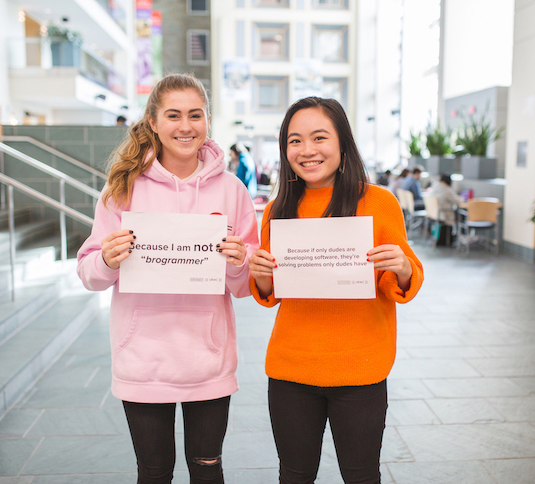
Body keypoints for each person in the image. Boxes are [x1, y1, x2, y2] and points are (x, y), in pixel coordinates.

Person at [76, 73, 259, 484]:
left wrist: (238, 262)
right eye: (173, 115)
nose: (185, 126)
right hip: (142, 360)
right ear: (153, 122)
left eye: (196, 115)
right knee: (154, 472)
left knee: (207, 471)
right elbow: (89, 274)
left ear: (207, 119)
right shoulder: (122, 187)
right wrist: (106, 260)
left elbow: (246, 285)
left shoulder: (232, 190)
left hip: (208, 361)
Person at [248, 97, 424, 484]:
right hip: (292, 367)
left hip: (361, 367)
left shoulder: (379, 202)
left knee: (361, 475)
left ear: (342, 143)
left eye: (319, 137)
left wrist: (402, 267)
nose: (307, 150)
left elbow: (403, 282)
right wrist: (260, 274)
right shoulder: (278, 208)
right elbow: (271, 292)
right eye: (295, 140)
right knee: (294, 475)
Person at [430, 173, 463, 246]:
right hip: (444, 212)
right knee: (461, 215)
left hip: (435, 212)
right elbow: (457, 201)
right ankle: (462, 236)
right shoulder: (447, 190)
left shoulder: (435, 187)